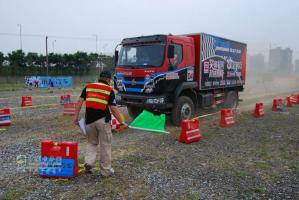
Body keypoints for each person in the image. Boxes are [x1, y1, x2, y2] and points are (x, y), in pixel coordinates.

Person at [73, 70, 128, 177]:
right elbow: (113, 108)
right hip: (103, 121)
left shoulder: (88, 87)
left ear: (100, 77)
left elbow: (79, 102)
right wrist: (122, 122)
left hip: (89, 121)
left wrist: (75, 116)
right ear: (108, 79)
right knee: (105, 145)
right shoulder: (109, 89)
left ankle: (88, 163)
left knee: (92, 143)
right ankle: (105, 171)